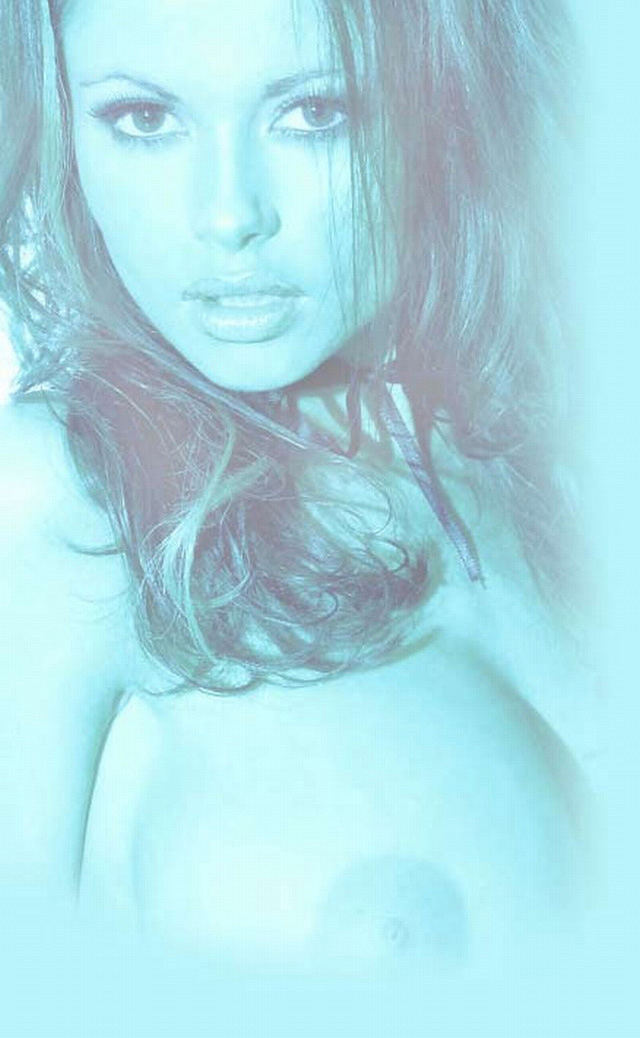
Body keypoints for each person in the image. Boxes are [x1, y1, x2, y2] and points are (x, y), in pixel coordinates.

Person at [0, 0, 591, 962]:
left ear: (443, 99)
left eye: (316, 113)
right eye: (144, 118)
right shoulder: (65, 502)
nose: (229, 216)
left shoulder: (563, 454)